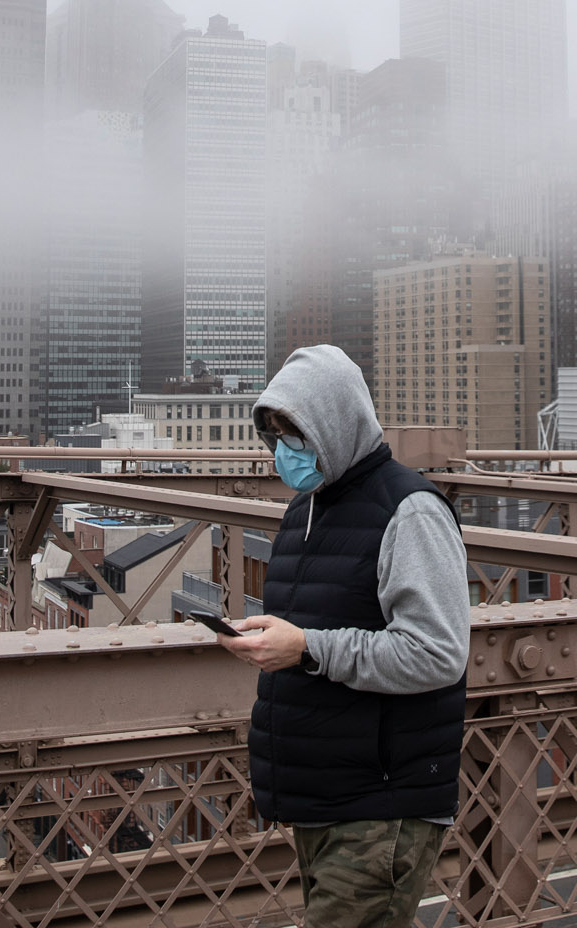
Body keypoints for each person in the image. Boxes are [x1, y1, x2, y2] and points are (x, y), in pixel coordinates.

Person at [217, 344, 470, 928]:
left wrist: (306, 648)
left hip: (380, 806)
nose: (284, 451)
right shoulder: (307, 510)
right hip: (321, 798)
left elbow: (436, 653)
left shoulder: (410, 511)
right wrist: (277, 642)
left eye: (296, 434)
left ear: (336, 423)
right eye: (276, 434)